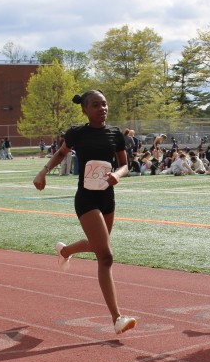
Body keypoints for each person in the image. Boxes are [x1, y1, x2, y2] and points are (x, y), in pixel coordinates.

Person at [33, 90, 137, 335]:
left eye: (104, 104)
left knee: (97, 245)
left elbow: (125, 164)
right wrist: (43, 172)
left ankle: (65, 251)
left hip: (107, 198)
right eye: (96, 105)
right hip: (86, 199)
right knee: (106, 256)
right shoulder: (77, 133)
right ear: (85, 110)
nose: (102, 108)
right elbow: (61, 153)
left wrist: (117, 174)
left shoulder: (115, 134)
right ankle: (117, 318)